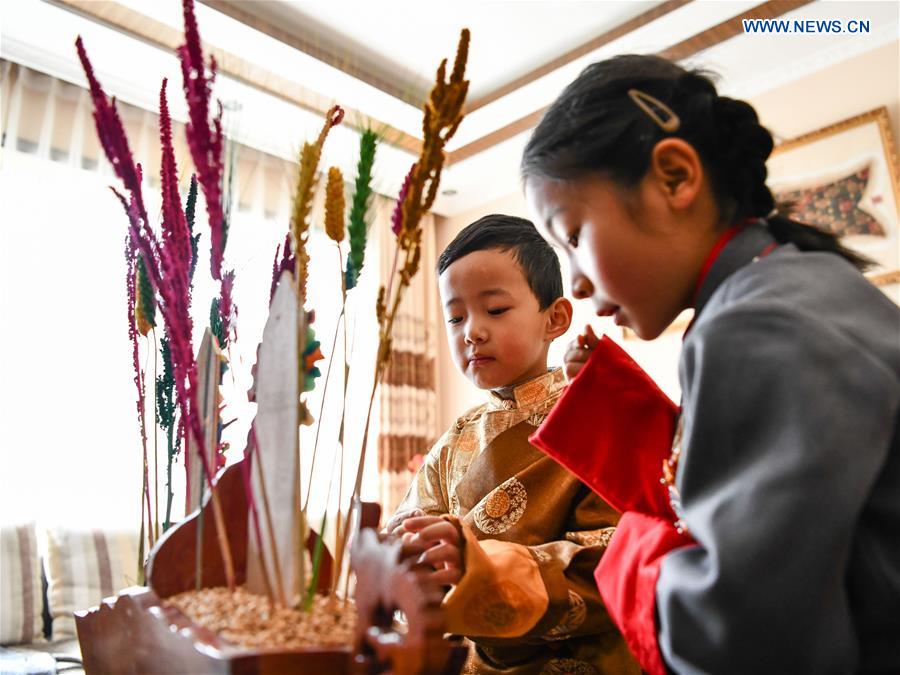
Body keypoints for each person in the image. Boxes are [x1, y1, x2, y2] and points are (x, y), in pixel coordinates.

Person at [520, 53, 900, 675]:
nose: (578, 284)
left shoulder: (757, 324)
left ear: (674, 177)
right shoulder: (790, 287)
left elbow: (745, 637)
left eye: (574, 236)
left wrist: (631, 556)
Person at [387, 214, 640, 674]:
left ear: (555, 318)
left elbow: (617, 559)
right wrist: (407, 554)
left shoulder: (593, 418)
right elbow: (412, 525)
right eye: (456, 316)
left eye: (495, 310)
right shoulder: (456, 438)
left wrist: (478, 570)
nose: (472, 332)